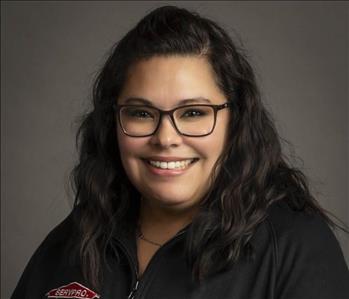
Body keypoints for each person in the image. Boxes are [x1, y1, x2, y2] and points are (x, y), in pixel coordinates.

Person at [11, 5, 349, 299]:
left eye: (193, 113)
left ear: (235, 121)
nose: (166, 138)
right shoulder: (74, 240)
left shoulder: (294, 248)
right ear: (112, 121)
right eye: (142, 113)